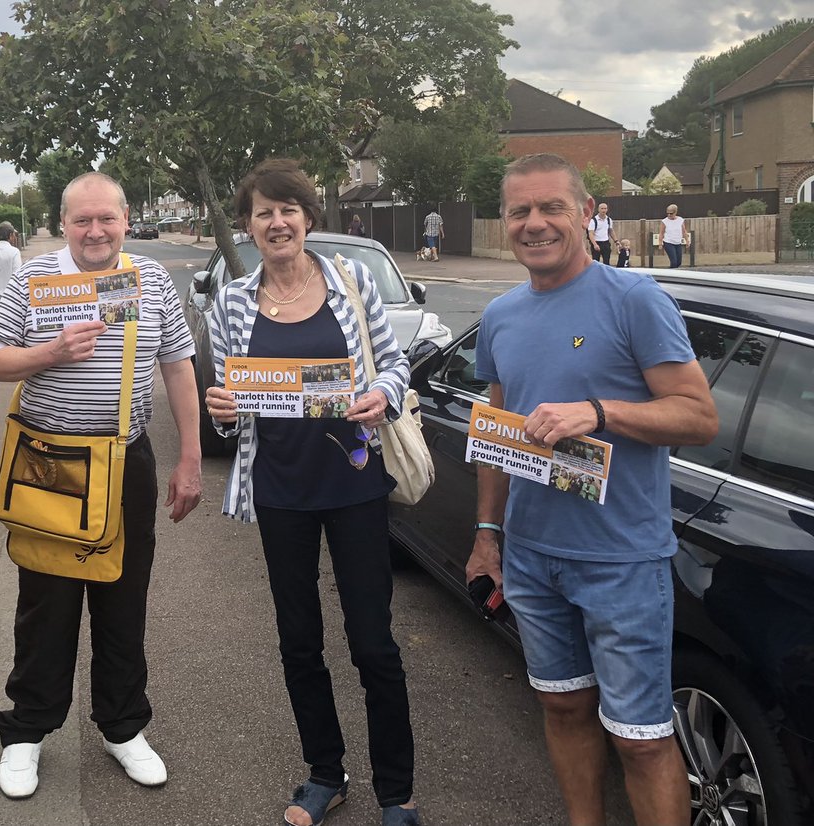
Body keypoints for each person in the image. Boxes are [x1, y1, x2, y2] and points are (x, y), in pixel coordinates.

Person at [466, 153, 717, 826]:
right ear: (506, 222)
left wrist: (601, 412)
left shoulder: (635, 299)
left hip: (621, 563)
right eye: (520, 211)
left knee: (641, 741)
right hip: (531, 557)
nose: (535, 223)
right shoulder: (501, 315)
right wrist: (487, 534)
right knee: (562, 707)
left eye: (552, 208)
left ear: (585, 214)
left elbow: (699, 417)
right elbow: (498, 433)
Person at [205, 158, 422, 826]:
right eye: (263, 212)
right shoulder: (232, 304)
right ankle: (325, 774)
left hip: (352, 481)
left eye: (288, 209)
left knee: (373, 642)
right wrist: (221, 409)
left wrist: (381, 395)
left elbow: (394, 363)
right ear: (248, 227)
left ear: (308, 218)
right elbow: (231, 404)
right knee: (298, 641)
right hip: (279, 489)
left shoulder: (351, 282)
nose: (277, 222)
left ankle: (397, 791)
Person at [0, 172, 202, 799]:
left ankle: (123, 725)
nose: (95, 230)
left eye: (106, 218)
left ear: (126, 220)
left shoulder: (151, 280)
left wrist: (189, 458)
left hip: (126, 459)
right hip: (50, 461)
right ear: (63, 223)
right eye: (82, 219)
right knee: (44, 601)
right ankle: (26, 729)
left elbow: (179, 367)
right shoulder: (34, 279)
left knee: (123, 598)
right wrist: (50, 353)